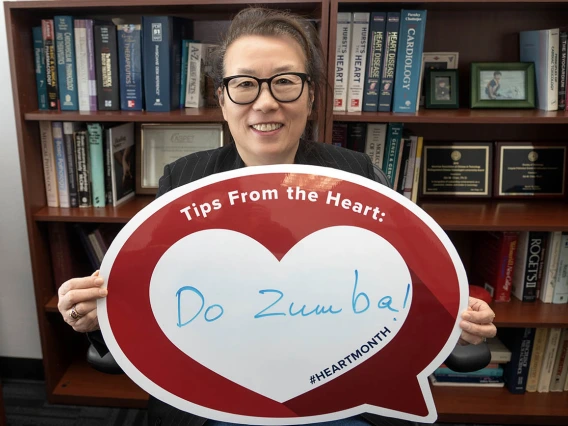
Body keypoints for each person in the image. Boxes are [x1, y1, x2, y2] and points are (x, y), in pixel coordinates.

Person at [57, 7, 497, 426]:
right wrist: (98, 316)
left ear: (310, 94)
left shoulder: (357, 176)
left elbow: (405, 292)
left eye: (284, 82)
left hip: (343, 390)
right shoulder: (184, 179)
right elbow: (151, 305)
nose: (265, 103)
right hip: (215, 395)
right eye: (244, 84)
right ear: (222, 99)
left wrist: (456, 317)